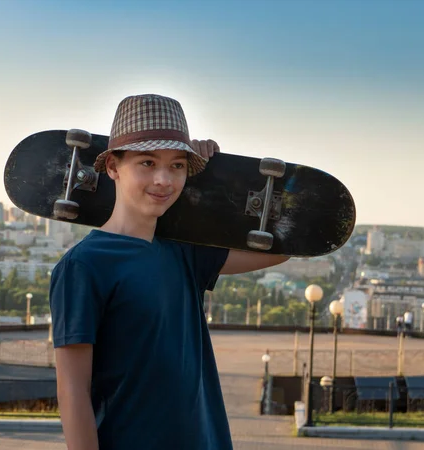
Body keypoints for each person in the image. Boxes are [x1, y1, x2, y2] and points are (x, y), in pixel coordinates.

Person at [49, 94, 290, 450]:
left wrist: (214, 181)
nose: (164, 180)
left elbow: (282, 251)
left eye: (177, 166)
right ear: (113, 167)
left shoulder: (183, 253)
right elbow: (72, 392)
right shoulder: (83, 266)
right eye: (147, 162)